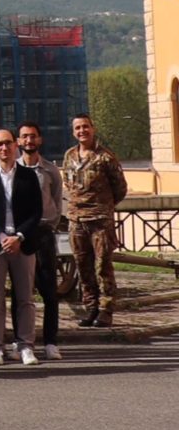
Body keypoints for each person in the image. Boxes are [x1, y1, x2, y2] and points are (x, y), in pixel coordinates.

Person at [62, 114, 126, 328]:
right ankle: (90, 308)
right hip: (76, 220)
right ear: (73, 132)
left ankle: (105, 310)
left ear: (93, 128)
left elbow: (120, 188)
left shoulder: (105, 157)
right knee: (83, 266)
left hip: (99, 221)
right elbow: (68, 183)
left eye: (85, 127)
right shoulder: (69, 156)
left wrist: (103, 206)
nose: (82, 131)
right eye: (78, 128)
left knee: (102, 266)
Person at [0, 130, 44, 367]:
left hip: (23, 243)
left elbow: (36, 212)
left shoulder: (28, 176)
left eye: (8, 143)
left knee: (25, 298)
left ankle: (25, 346)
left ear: (16, 145)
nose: (4, 148)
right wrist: (1, 236)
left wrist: (18, 236)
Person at [18, 122, 64, 358]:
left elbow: (57, 199)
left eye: (33, 136)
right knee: (21, 291)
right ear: (18, 141)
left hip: (44, 232)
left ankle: (50, 341)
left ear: (39, 140)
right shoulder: (13, 170)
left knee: (49, 290)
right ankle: (20, 341)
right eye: (24, 136)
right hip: (20, 234)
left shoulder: (50, 170)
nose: (29, 140)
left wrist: (50, 225)